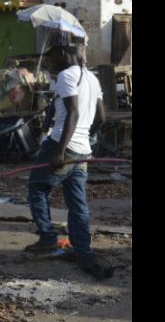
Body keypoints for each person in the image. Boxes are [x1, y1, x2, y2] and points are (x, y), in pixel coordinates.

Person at [25, 36, 111, 279]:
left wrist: (61, 151)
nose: (50, 63)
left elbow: (72, 113)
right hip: (83, 151)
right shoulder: (92, 78)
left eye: (52, 57)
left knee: (37, 187)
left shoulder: (66, 76)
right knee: (77, 203)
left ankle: (47, 238)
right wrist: (87, 138)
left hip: (61, 145)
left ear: (63, 53)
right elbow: (102, 118)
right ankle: (83, 248)